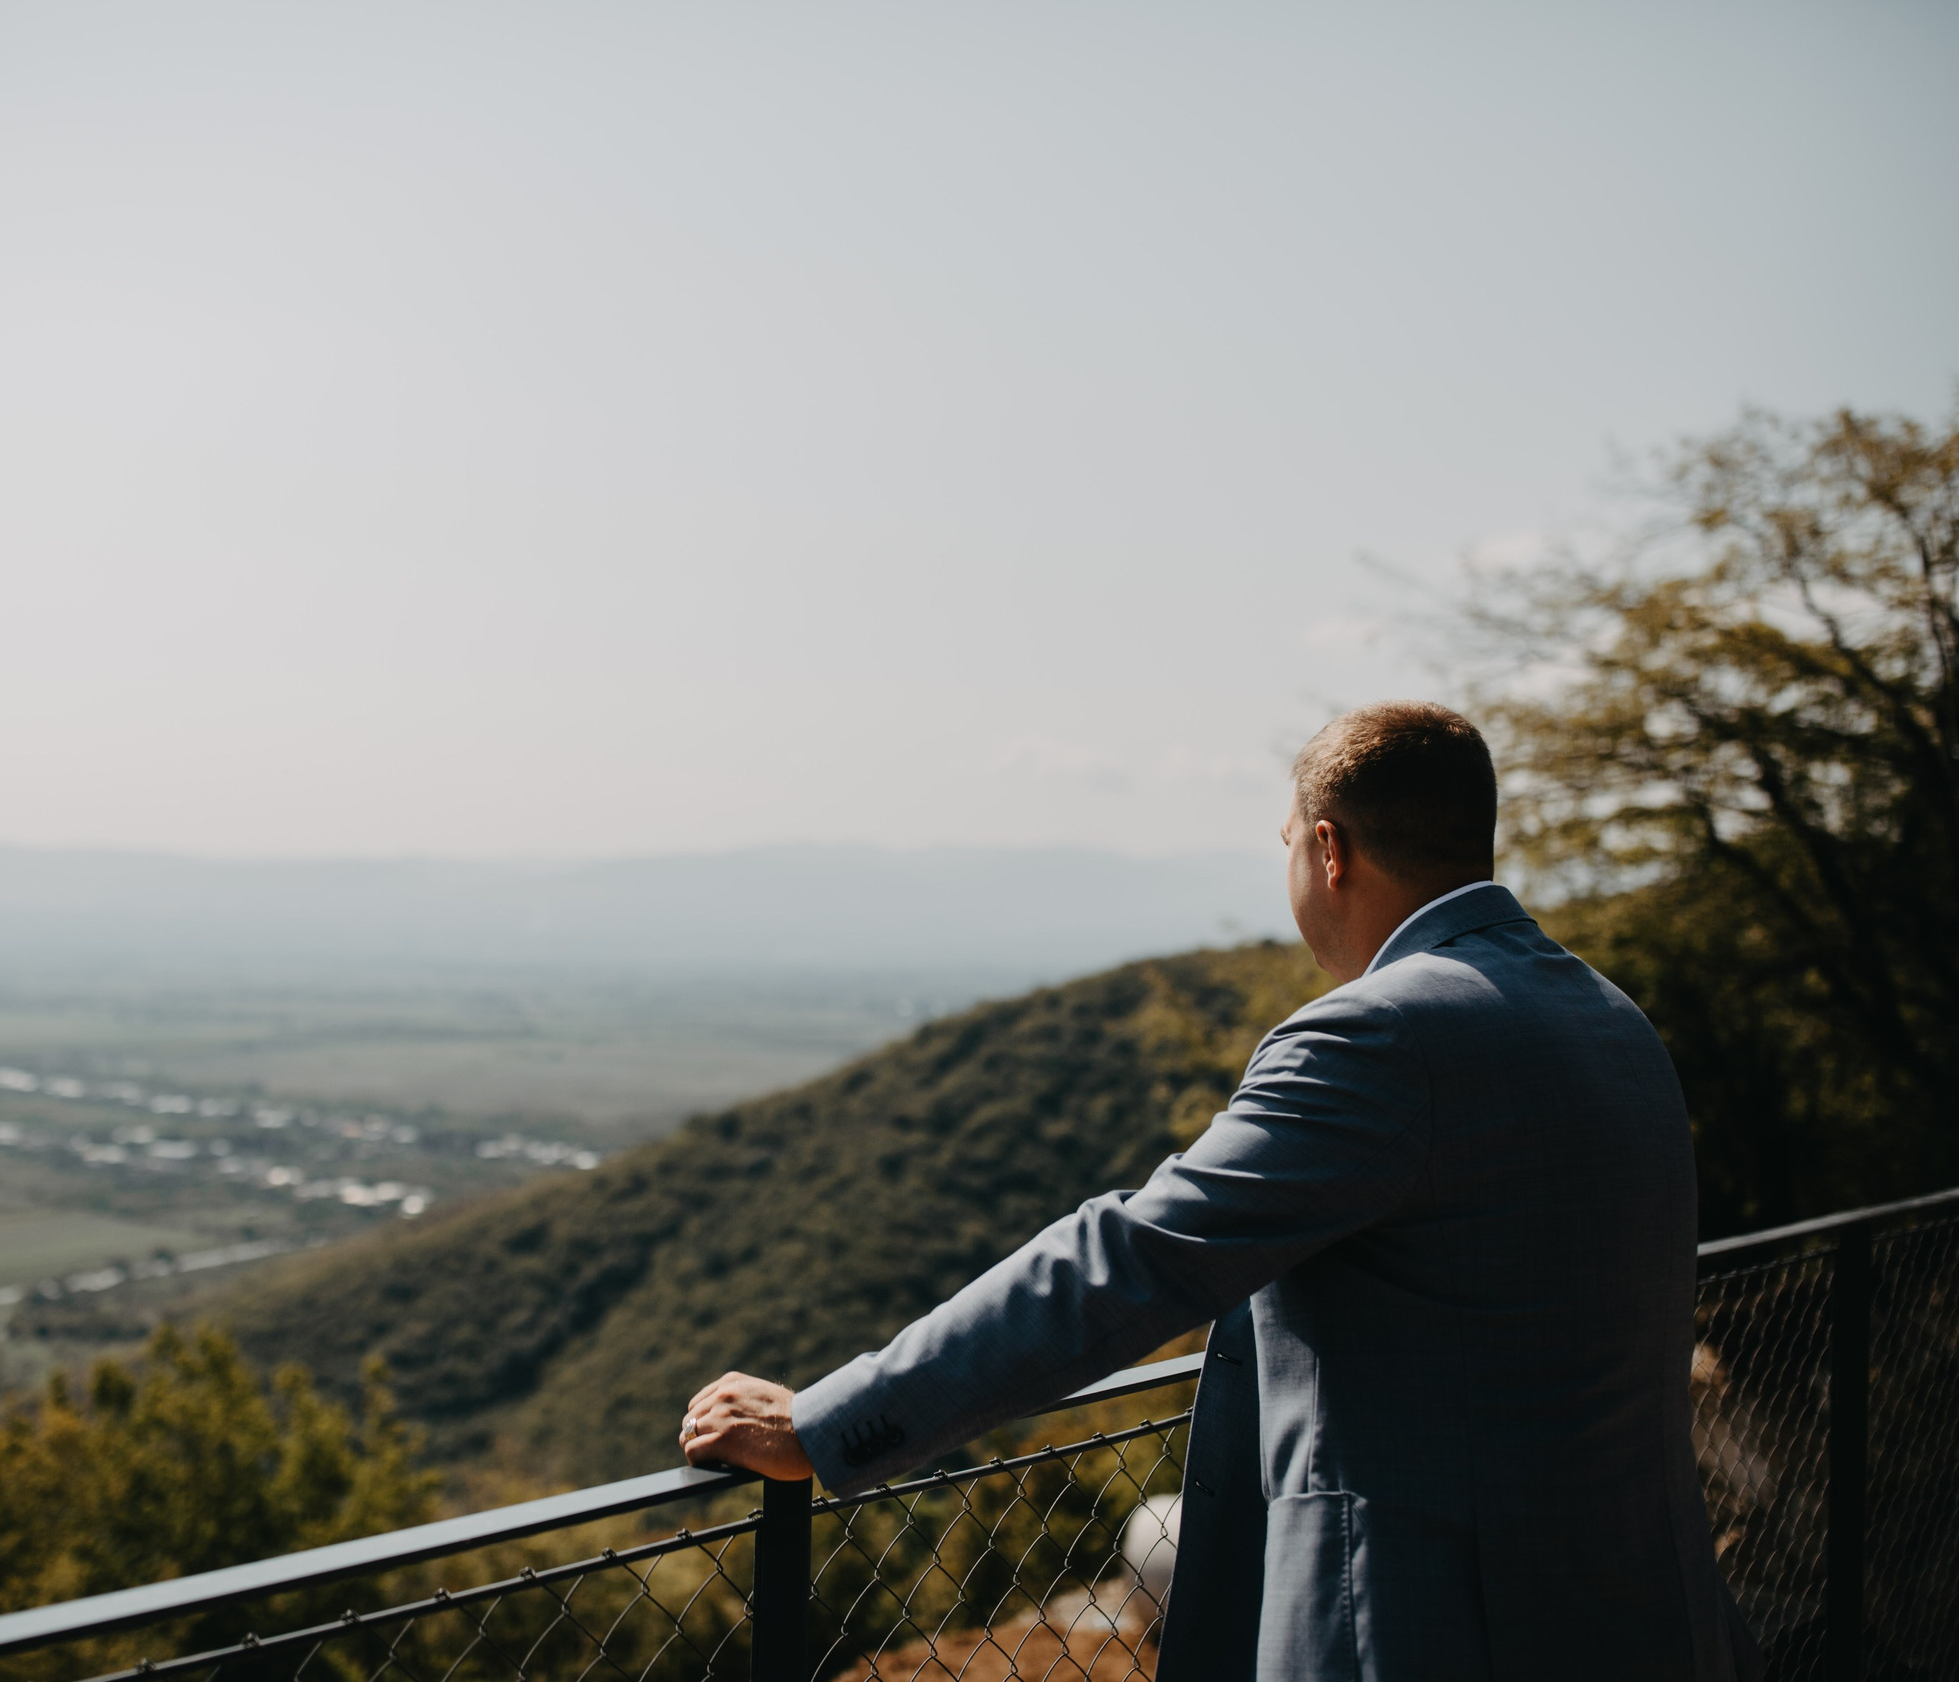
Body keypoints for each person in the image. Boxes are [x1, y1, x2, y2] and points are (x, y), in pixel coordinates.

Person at [677, 701, 1756, 1682]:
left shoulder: (1378, 1035)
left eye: (1286, 846)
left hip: (1432, 1627)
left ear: (1327, 849)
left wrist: (829, 1424)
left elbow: (1131, 1259)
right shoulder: (1608, 1017)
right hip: (1638, 1610)